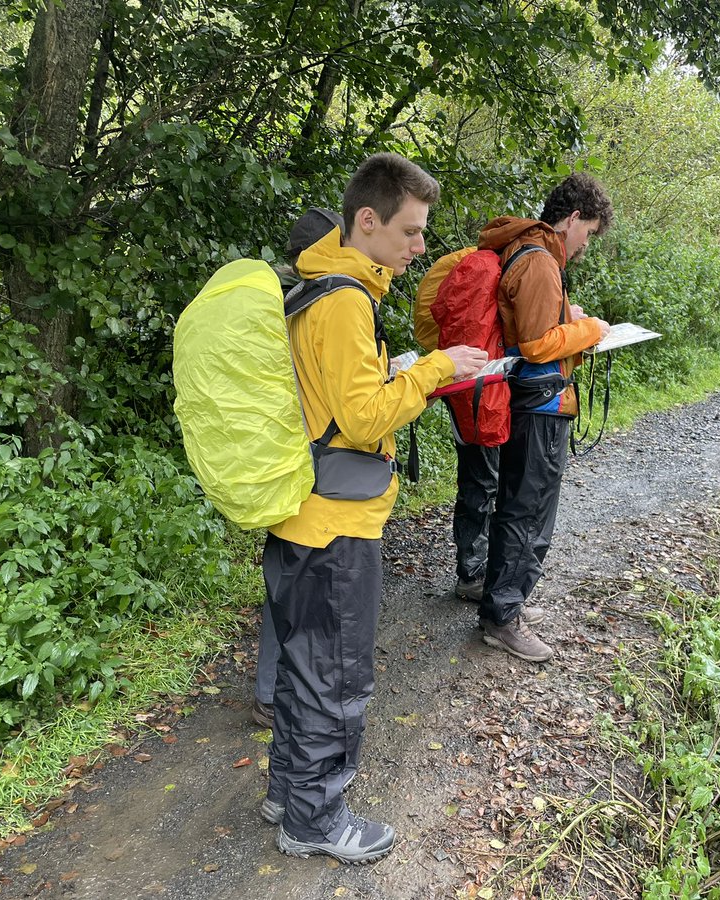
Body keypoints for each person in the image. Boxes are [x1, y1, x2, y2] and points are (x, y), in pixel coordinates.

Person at [262, 153, 487, 864]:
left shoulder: (318, 287)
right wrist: (435, 367)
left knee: (304, 667)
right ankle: (316, 821)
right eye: (413, 232)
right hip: (337, 527)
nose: (421, 247)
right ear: (368, 221)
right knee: (336, 679)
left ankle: (289, 791)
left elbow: (335, 396)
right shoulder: (346, 301)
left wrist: (398, 371)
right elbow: (362, 420)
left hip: (302, 517)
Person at [464, 173, 613, 663]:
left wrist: (574, 325)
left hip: (532, 399)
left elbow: (541, 331)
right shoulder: (540, 261)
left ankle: (505, 602)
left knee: (519, 504)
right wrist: (590, 330)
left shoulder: (527, 252)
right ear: (572, 219)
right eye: (588, 232)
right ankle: (502, 616)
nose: (586, 244)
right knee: (527, 511)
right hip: (541, 403)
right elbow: (535, 345)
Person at [251, 207, 347, 731]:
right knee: (296, 585)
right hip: (305, 461)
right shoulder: (314, 300)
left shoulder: (278, 302)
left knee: (282, 578)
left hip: (278, 456)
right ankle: (274, 695)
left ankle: (271, 692)